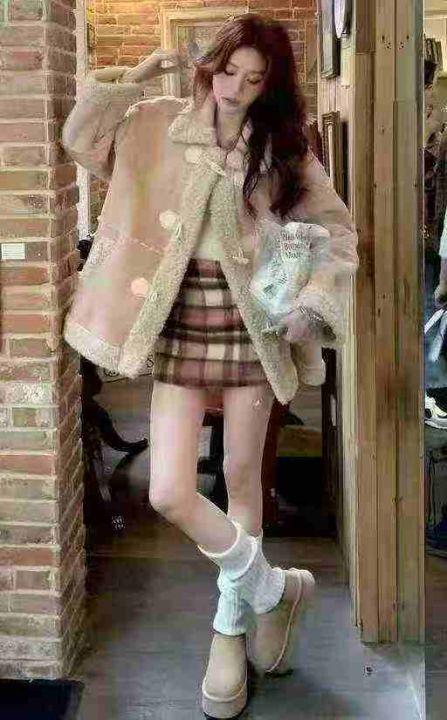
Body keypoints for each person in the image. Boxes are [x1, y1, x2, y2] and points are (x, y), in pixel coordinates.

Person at [62, 14, 358, 719]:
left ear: (269, 87)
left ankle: (228, 630)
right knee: (170, 491)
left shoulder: (283, 149)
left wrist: (312, 302)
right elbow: (80, 141)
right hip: (178, 328)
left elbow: (339, 232)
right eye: (228, 71)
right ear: (209, 65)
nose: (235, 89)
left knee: (241, 481)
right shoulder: (153, 122)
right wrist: (125, 84)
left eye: (253, 80)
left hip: (252, 331)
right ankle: (273, 591)